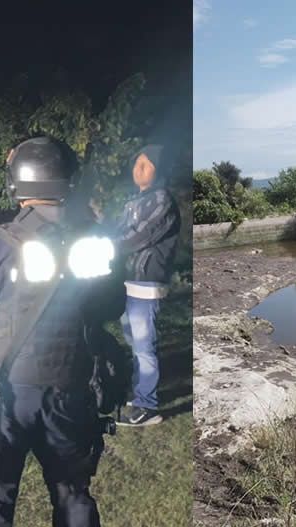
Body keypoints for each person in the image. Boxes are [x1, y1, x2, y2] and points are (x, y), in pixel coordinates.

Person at [0, 136, 115, 527]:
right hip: (72, 391)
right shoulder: (94, 241)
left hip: (6, 397)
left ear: (18, 187)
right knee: (73, 495)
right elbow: (111, 306)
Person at [113, 144, 180, 427]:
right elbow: (117, 230)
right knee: (133, 341)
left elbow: (140, 236)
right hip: (129, 281)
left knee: (143, 347)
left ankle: (148, 408)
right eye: (137, 163)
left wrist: (109, 246)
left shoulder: (162, 200)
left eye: (146, 163)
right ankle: (141, 393)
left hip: (147, 282)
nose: (138, 168)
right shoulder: (135, 200)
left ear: (159, 168)